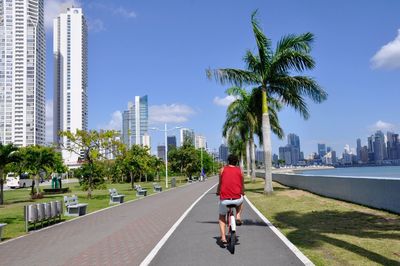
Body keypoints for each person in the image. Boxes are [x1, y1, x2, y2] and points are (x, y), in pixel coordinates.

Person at [216, 154, 244, 245]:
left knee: (221, 217)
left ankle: (223, 237)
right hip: (237, 199)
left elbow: (220, 183)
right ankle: (238, 216)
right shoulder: (240, 171)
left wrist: (217, 192)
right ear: (236, 162)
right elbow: (242, 185)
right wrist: (242, 193)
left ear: (228, 161)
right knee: (241, 200)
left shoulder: (222, 169)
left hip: (225, 200)